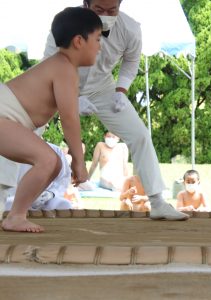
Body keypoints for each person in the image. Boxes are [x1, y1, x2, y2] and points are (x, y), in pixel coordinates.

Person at [42, 0, 188, 220]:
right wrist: (71, 98)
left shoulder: (130, 28)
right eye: (99, 10)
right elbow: (48, 63)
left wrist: (121, 90)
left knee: (140, 135)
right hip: (58, 85)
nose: (106, 16)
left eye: (112, 10)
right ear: (85, 5)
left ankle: (157, 202)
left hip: (103, 89)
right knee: (27, 131)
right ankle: (8, 197)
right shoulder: (65, 24)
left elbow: (131, 61)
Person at [0, 7, 102, 232]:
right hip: (3, 115)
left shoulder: (63, 67)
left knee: (54, 163)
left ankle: (18, 213)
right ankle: (15, 216)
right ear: (78, 41)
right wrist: (78, 160)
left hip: (8, 118)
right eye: (97, 38)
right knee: (47, 160)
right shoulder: (64, 68)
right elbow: (69, 119)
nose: (100, 46)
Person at [4, 142, 74, 212]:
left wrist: (51, 193)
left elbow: (63, 179)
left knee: (64, 204)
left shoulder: (55, 150)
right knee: (9, 205)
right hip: (11, 198)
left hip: (46, 199)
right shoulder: (6, 149)